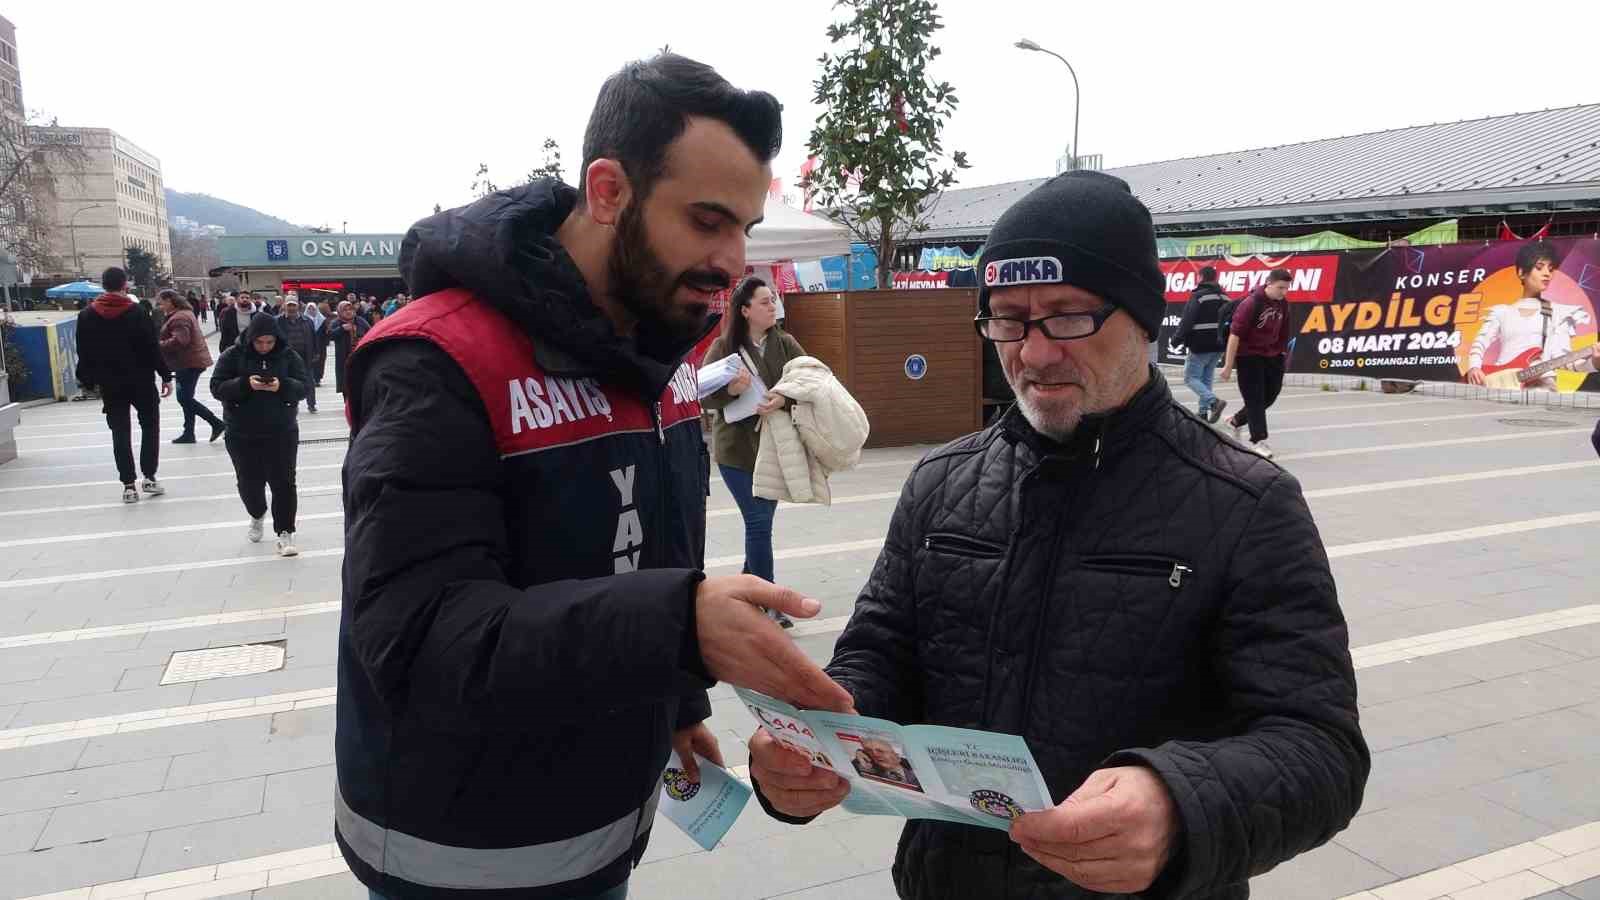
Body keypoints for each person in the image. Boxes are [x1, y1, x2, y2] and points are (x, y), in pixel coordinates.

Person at [749, 171, 1368, 900]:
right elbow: (882, 653)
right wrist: (814, 745)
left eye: (1068, 316)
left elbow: (1319, 748)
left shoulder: (1248, 503)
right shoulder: (940, 482)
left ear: (1141, 316)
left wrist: (1179, 804)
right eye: (1008, 318)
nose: (1034, 353)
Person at [334, 53, 853, 900]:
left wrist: (681, 694)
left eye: (746, 230)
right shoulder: (438, 358)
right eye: (708, 220)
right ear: (608, 191)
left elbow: (662, 550)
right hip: (460, 854)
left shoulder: (666, 349)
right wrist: (680, 629)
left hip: (606, 827)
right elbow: (419, 634)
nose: (733, 262)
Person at [700, 276, 807, 627]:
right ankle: (770, 603)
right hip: (737, 451)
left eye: (773, 298)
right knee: (758, 523)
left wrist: (784, 396)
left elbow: (811, 379)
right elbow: (700, 393)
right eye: (764, 301)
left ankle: (746, 591)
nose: (772, 305)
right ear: (745, 310)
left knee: (760, 525)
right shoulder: (723, 348)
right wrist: (730, 389)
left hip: (775, 447)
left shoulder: (786, 343)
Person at [210, 312, 308, 557]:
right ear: (251, 338)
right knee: (248, 481)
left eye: (269, 342)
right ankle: (256, 512)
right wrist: (245, 384)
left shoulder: (288, 356)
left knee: (284, 482)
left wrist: (282, 386)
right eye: (259, 342)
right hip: (241, 431)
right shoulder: (232, 355)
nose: (264, 347)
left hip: (281, 430)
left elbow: (304, 387)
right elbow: (217, 387)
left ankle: (285, 531)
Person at [75, 267, 174, 503]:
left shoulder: (87, 315)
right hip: (140, 380)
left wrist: (88, 380)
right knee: (150, 426)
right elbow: (152, 347)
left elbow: (84, 352)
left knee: (120, 432)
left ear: (103, 286)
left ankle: (128, 486)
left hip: (110, 384)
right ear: (124, 286)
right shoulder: (137, 312)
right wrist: (165, 375)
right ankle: (149, 476)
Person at [1465, 241, 1599, 389]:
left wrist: (1595, 363)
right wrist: (1474, 367)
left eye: (1550, 269)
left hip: (1541, 385)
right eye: (1539, 268)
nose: (1547, 273)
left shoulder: (1558, 313)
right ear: (1521, 272)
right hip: (1502, 382)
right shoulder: (1501, 312)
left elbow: (1567, 361)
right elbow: (1480, 342)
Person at [1218, 268, 1293, 458]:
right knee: (1255, 398)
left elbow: (1283, 332)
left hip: (1273, 356)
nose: (1283, 292)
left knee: (1270, 396)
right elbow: (1235, 336)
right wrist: (1228, 365)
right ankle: (1258, 440)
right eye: (1280, 288)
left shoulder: (1283, 304)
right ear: (1268, 283)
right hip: (1248, 357)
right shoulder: (1251, 303)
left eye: (1286, 288)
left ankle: (1235, 421)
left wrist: (1281, 355)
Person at [157, 289, 225, 444]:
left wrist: (159, 345)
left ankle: (217, 423)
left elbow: (181, 340)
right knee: (186, 398)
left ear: (169, 301)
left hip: (188, 363)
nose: (160, 306)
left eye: (161, 302)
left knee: (184, 398)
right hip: (190, 361)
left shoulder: (180, 317)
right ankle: (189, 432)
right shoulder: (183, 314)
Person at [1173, 264, 1229, 423]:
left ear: (1201, 278)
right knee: (1206, 379)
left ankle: (1214, 402)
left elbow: (1187, 321)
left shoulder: (1199, 296)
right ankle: (1203, 413)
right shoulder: (1225, 297)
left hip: (1200, 344)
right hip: (1219, 345)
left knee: (1190, 378)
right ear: (1215, 278)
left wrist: (1177, 340)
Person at [276, 295, 320, 414]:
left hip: (305, 357)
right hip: (286, 357)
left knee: (309, 382)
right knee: (288, 381)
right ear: (284, 306)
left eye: (293, 305)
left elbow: (314, 338)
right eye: (289, 305)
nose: (291, 308)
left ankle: (311, 404)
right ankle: (291, 403)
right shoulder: (277, 321)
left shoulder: (307, 320)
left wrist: (316, 352)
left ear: (298, 306)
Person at [320, 300, 369, 395]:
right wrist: (342, 329)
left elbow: (370, 332)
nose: (348, 312)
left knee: (360, 382)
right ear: (340, 311)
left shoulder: (360, 321)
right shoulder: (336, 322)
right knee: (346, 384)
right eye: (345, 310)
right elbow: (329, 335)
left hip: (360, 356)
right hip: (344, 358)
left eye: (350, 309)